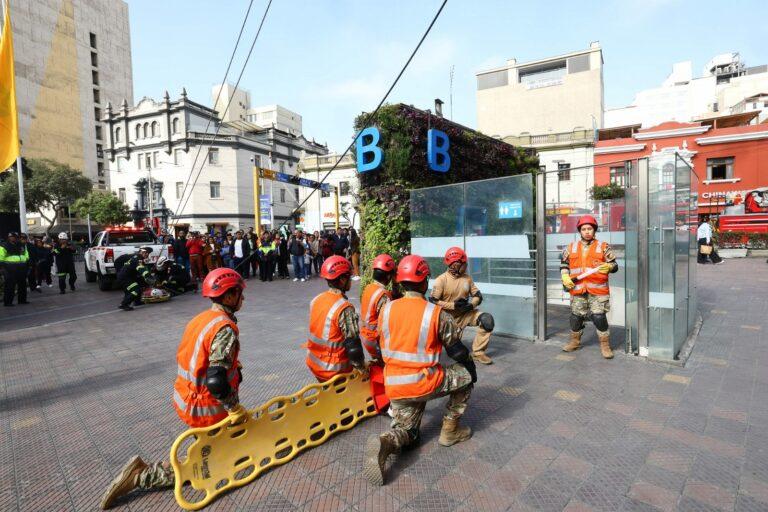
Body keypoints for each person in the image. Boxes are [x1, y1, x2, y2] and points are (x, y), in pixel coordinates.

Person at [100, 268, 250, 509]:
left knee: (220, 445)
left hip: (187, 396)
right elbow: (215, 380)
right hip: (207, 407)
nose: (243, 298)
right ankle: (141, 476)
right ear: (229, 296)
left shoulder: (201, 319)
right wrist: (233, 408)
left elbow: (199, 358)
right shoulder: (224, 328)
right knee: (205, 463)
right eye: (240, 293)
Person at [363, 255, 476, 486]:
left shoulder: (386, 309)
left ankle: (387, 440)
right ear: (424, 282)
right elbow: (457, 352)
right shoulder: (435, 313)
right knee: (464, 376)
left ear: (401, 282)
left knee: (410, 434)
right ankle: (449, 432)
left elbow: (376, 342)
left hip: (394, 385)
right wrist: (472, 368)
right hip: (425, 381)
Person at [560, 215, 619, 359]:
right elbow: (564, 264)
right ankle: (575, 342)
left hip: (598, 290)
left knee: (599, 317)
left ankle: (605, 345)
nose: (587, 231)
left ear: (594, 230)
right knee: (576, 318)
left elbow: (615, 265)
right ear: (580, 231)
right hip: (578, 288)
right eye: (584, 229)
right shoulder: (571, 247)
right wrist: (565, 276)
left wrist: (609, 267)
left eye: (590, 229)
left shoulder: (603, 247)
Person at [429, 247, 495, 365]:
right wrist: (452, 305)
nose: (466, 266)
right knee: (457, 354)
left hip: (465, 314)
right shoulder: (441, 280)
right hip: (446, 320)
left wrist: (471, 305)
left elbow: (478, 295)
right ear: (455, 264)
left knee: (487, 320)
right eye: (464, 263)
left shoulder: (467, 278)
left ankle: (478, 353)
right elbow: (433, 301)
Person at [304, 255, 366, 382]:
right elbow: (353, 346)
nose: (351, 281)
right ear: (342, 279)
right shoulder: (344, 308)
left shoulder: (317, 299)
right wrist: (361, 368)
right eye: (349, 277)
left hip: (314, 362)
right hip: (334, 371)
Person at [359, 254, 397, 361]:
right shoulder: (383, 296)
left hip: (365, 335)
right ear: (389, 276)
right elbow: (388, 323)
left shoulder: (369, 287)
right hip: (375, 339)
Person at [116, 247, 154, 311]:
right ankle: (124, 304)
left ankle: (137, 302)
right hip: (125, 278)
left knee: (139, 286)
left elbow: (143, 268)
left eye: (148, 253)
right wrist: (148, 276)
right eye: (146, 253)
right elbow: (141, 268)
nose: (147, 255)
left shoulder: (137, 257)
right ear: (142, 252)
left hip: (127, 277)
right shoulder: (138, 259)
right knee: (136, 289)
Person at [0, 232, 30, 306]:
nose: (12, 238)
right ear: (8, 237)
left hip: (21, 267)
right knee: (10, 285)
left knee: (22, 284)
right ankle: (7, 302)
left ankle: (22, 300)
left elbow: (26, 254)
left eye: (14, 236)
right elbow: (1, 257)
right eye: (10, 236)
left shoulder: (22, 245)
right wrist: (3, 268)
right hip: (9, 268)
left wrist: (26, 260)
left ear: (17, 237)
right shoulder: (4, 245)